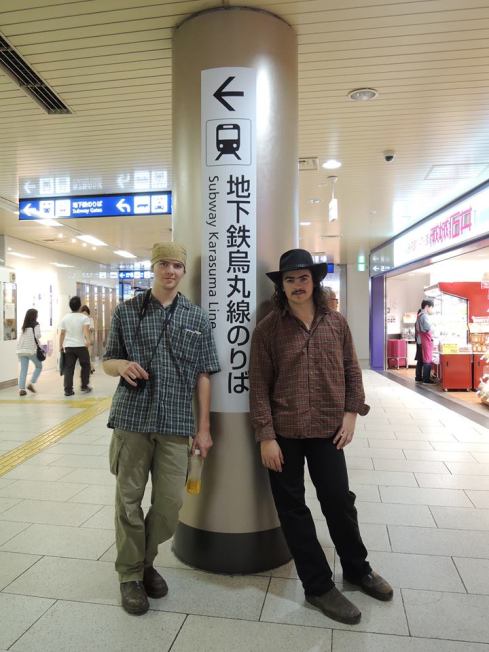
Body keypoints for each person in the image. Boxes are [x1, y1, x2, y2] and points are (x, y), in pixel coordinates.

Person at [249, 248, 392, 626]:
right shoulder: (268, 329)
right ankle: (317, 586)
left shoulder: (336, 323)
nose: (297, 285)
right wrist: (266, 436)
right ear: (281, 286)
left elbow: (351, 370)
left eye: (303, 278)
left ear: (314, 282)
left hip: (329, 429)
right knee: (293, 509)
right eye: (290, 279)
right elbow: (258, 386)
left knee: (338, 500)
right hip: (284, 432)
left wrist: (351, 414)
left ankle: (357, 570)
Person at [103, 242, 220, 616]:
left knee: (170, 504)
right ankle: (130, 575)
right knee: (128, 501)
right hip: (132, 421)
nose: (170, 271)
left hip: (176, 424)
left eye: (177, 265)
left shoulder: (196, 317)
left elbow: (204, 375)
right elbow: (107, 360)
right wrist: (120, 365)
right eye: (163, 264)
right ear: (152, 267)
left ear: (183, 271)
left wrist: (204, 429)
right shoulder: (126, 311)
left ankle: (145, 560)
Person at [59, 296, 91, 396]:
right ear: (80, 306)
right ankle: (84, 386)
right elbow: (86, 331)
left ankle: (68, 390)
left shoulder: (65, 318)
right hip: (81, 346)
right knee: (86, 365)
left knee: (69, 368)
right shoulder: (84, 318)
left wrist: (60, 345)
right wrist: (88, 340)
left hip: (69, 346)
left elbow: (62, 333)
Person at [16, 308, 43, 396]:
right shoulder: (36, 324)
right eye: (37, 314)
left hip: (21, 350)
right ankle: (31, 383)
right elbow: (38, 335)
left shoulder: (24, 325)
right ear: (34, 316)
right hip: (30, 350)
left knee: (23, 369)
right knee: (39, 366)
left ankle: (22, 389)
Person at [415, 299, 435, 384]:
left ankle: (418, 377)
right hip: (425, 340)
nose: (432, 309)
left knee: (421, 359)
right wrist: (433, 328)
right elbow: (428, 328)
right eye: (431, 307)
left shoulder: (419, 315)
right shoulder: (424, 316)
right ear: (427, 306)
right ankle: (426, 379)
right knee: (427, 359)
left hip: (420, 340)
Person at [80, 305, 96, 373]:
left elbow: (92, 331)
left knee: (88, 356)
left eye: (86, 313)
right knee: (85, 356)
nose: (84, 315)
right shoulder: (80, 321)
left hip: (89, 340)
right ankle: (91, 368)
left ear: (88, 313)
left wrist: (91, 339)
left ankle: (87, 370)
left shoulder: (90, 320)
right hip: (82, 341)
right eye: (83, 313)